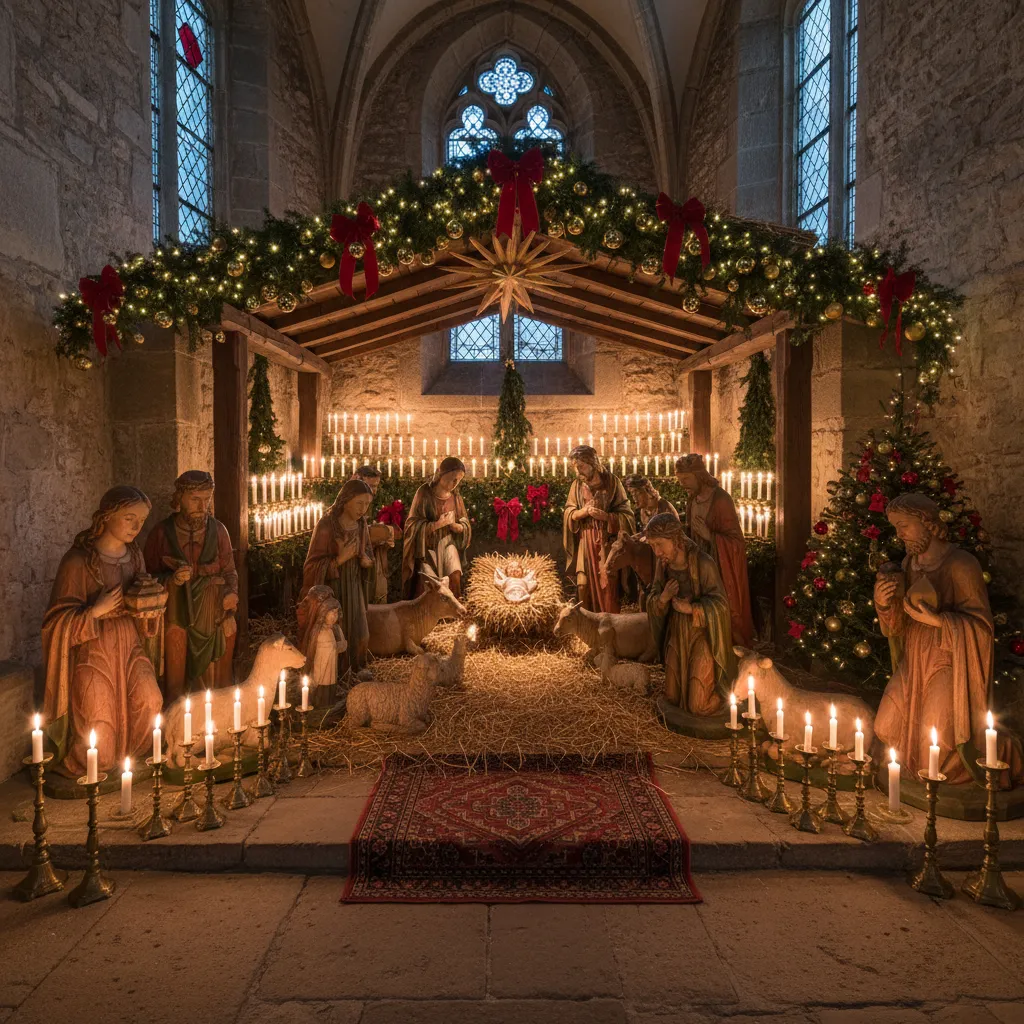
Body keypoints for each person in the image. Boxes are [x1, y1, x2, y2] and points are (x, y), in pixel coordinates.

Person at [873, 493, 1023, 786]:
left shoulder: (961, 565)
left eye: (904, 526)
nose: (899, 534)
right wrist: (884, 603)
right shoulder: (908, 563)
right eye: (896, 527)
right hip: (915, 660)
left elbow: (981, 627)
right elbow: (898, 625)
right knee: (886, 727)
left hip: (948, 662)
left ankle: (1003, 751)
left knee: (939, 749)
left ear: (927, 523)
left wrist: (940, 621)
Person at [43, 486, 164, 776]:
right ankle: (97, 764)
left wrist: (151, 604)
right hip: (93, 651)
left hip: (130, 647)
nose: (137, 527)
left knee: (150, 700)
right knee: (99, 737)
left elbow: (142, 605)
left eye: (142, 520)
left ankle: (133, 758)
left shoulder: (135, 557)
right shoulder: (76, 562)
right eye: (129, 518)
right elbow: (54, 624)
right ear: (106, 517)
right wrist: (96, 610)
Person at [143, 470, 238, 699]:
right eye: (195, 499)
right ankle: (178, 712)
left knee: (223, 652)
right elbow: (144, 579)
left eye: (207, 499)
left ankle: (216, 710)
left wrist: (231, 593)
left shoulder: (219, 531)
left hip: (213, 613)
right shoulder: (161, 534)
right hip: (177, 612)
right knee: (175, 646)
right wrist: (171, 580)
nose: (202, 505)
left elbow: (230, 571)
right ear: (180, 498)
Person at [645, 512, 735, 715]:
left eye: (659, 544)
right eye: (652, 546)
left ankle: (730, 698)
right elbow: (653, 597)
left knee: (699, 706)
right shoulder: (664, 565)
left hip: (702, 636)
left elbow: (721, 606)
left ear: (676, 539)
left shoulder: (704, 563)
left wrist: (692, 608)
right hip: (676, 633)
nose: (656, 552)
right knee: (671, 697)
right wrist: (663, 599)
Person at [674, 453, 754, 648]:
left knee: (721, 606)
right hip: (699, 564)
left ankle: (728, 648)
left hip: (720, 567)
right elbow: (691, 532)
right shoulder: (692, 500)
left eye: (686, 479)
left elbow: (736, 542)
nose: (682, 484)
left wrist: (709, 535)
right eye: (680, 480)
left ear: (699, 475)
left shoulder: (721, 500)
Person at [301, 479, 374, 678]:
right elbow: (310, 568)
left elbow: (366, 551)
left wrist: (366, 560)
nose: (363, 509)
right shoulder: (327, 526)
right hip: (334, 587)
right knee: (336, 630)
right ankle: (336, 672)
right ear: (346, 500)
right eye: (359, 503)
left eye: (367, 504)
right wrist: (339, 559)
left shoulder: (361, 524)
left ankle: (356, 667)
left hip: (354, 583)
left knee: (360, 632)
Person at [562, 445, 635, 611]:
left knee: (608, 584)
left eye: (581, 466)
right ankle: (586, 624)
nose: (578, 471)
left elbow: (627, 515)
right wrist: (583, 512)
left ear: (592, 463)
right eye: (575, 467)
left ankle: (609, 624)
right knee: (582, 584)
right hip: (585, 540)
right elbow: (569, 512)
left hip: (606, 541)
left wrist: (607, 517)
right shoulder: (577, 485)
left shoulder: (613, 483)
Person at [402, 456, 472, 599]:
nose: (455, 483)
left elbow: (465, 523)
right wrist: (437, 525)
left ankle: (452, 612)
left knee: (455, 574)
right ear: (442, 473)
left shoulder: (456, 497)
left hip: (448, 545)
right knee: (429, 585)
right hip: (427, 549)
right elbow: (412, 525)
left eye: (458, 480)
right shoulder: (424, 493)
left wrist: (458, 527)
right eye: (453, 478)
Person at [352, 464, 399, 603]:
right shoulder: (351, 502)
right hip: (355, 558)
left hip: (375, 555)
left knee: (378, 594)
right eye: (370, 485)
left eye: (376, 486)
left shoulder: (375, 501)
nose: (373, 490)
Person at [296, 585, 347, 708]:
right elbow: (312, 651)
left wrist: (340, 645)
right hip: (320, 667)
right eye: (331, 613)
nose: (334, 616)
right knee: (321, 686)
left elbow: (342, 646)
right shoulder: (317, 631)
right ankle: (319, 704)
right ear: (323, 613)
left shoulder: (336, 629)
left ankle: (329, 703)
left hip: (331, 666)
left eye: (336, 613)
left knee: (330, 686)